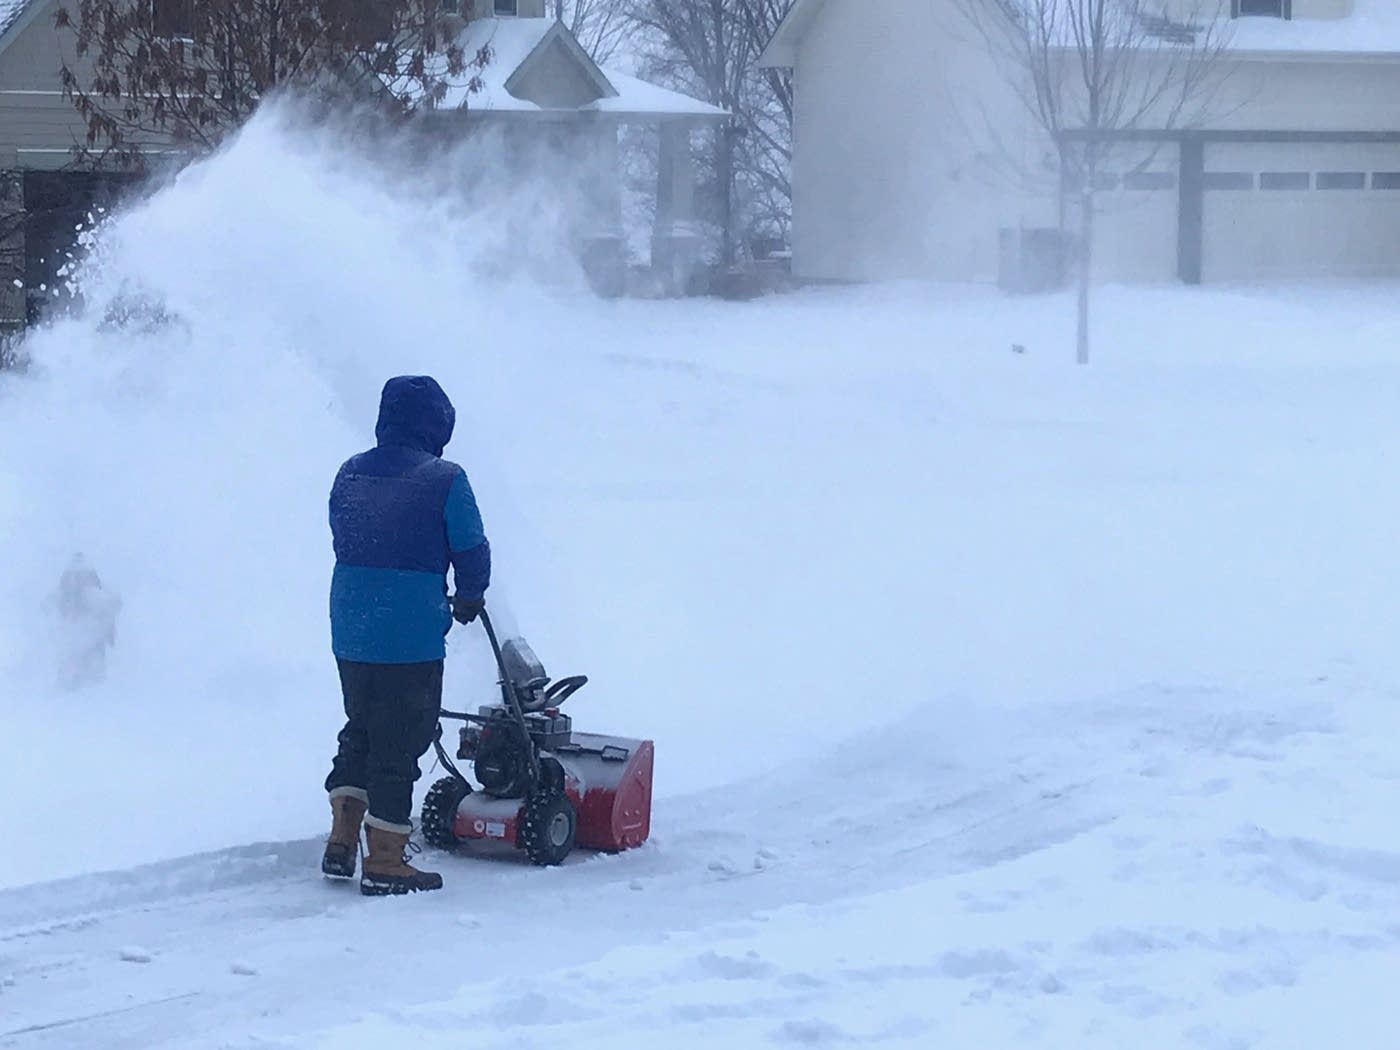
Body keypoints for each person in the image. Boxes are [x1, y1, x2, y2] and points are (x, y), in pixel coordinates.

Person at [322, 375, 491, 896]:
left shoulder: (350, 471)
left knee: (362, 725)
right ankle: (386, 860)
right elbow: (471, 547)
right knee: (400, 739)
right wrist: (469, 596)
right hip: (409, 635)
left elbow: (343, 532)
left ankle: (342, 839)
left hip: (351, 628)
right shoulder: (445, 478)